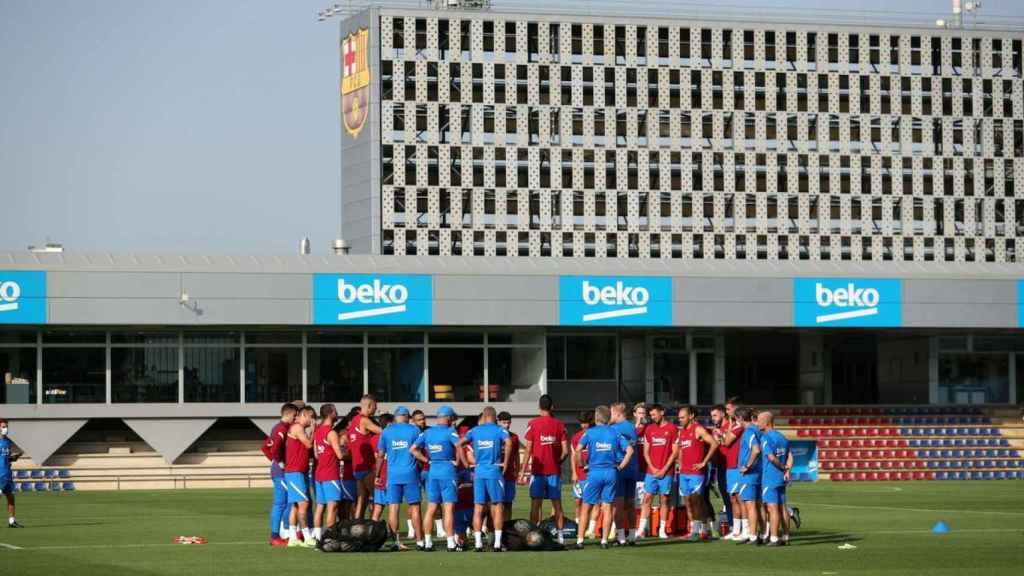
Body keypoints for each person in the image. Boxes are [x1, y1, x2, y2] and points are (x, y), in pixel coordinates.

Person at [574, 405, 632, 550]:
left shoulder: (590, 433)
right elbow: (630, 451)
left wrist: (582, 464)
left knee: (586, 506)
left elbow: (578, 450)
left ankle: (580, 540)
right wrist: (620, 467)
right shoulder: (615, 433)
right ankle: (604, 541)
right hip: (611, 473)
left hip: (595, 473)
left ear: (596, 417)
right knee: (607, 507)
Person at [411, 405, 465, 551]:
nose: (453, 421)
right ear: (448, 418)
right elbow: (460, 445)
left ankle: (428, 542)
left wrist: (426, 460)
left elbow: (413, 449)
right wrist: (459, 463)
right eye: (452, 418)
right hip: (447, 471)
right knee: (448, 508)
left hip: (433, 471)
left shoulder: (427, 433)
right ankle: (450, 543)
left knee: (431, 508)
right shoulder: (450, 432)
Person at [461, 406, 513, 552]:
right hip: (493, 471)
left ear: (484, 417)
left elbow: (460, 444)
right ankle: (497, 543)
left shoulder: (475, 430)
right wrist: (507, 463)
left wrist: (466, 464)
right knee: (497, 507)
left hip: (479, 473)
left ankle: (478, 543)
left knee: (478, 508)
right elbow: (509, 442)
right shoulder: (499, 430)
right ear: (495, 418)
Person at [521, 394, 568, 543]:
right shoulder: (560, 424)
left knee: (536, 503)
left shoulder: (532, 423)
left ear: (539, 407)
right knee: (557, 504)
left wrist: (522, 470)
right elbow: (566, 451)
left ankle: (533, 536)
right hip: (554, 471)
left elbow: (528, 449)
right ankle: (561, 537)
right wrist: (557, 462)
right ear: (552, 407)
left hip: (537, 471)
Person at [378, 406, 424, 550]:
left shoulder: (386, 431)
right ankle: (420, 541)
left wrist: (378, 474)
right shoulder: (414, 430)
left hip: (393, 475)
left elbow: (380, 455)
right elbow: (420, 450)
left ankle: (396, 542)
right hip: (410, 474)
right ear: (407, 417)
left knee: (393, 508)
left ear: (395, 417)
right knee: (415, 508)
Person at [676, 404, 719, 542]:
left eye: (683, 417)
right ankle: (695, 529)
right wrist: (680, 464)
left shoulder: (698, 429)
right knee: (688, 501)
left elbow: (714, 443)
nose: (680, 420)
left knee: (697, 500)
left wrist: (704, 462)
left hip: (696, 472)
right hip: (684, 472)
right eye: (679, 418)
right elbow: (681, 450)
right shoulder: (681, 432)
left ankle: (701, 531)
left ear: (691, 416)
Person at [639, 404, 676, 539]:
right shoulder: (649, 429)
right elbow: (645, 451)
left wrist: (664, 469)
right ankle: (641, 530)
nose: (652, 417)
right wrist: (653, 468)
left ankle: (662, 530)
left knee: (664, 500)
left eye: (655, 414)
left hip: (667, 471)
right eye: (651, 415)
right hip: (651, 472)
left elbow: (675, 452)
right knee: (647, 498)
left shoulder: (672, 428)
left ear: (662, 412)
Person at [262, 403, 297, 546]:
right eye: (294, 416)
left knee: (288, 502)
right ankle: (276, 535)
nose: (295, 418)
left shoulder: (282, 428)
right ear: (288, 414)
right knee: (281, 503)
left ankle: (282, 533)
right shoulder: (280, 429)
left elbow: (265, 446)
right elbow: (273, 447)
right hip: (281, 472)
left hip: (282, 470)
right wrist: (280, 462)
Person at [758, 411, 793, 547]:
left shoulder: (766, 438)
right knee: (782, 507)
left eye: (760, 420)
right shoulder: (782, 437)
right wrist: (787, 470)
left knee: (772, 508)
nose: (758, 423)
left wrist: (783, 467)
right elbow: (791, 455)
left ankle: (773, 538)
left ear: (766, 422)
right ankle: (786, 536)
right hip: (781, 478)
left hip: (770, 477)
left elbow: (771, 457)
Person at [313, 404, 346, 544]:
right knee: (332, 507)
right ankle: (330, 539)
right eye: (336, 411)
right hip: (330, 474)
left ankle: (317, 538)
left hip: (319, 474)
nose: (337, 413)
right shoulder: (331, 432)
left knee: (320, 506)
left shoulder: (318, 431)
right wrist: (348, 452)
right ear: (331, 413)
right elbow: (340, 455)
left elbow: (316, 454)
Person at [347, 395, 383, 519]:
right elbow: (383, 432)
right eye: (375, 406)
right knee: (378, 499)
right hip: (367, 467)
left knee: (362, 500)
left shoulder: (354, 420)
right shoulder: (364, 420)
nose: (376, 409)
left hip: (357, 467)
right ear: (369, 406)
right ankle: (373, 526)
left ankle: (357, 527)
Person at [285, 406, 316, 547]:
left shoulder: (298, 428)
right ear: (304, 415)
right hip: (295, 472)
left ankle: (292, 538)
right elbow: (309, 444)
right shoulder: (297, 427)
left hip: (297, 472)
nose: (312, 420)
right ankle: (307, 537)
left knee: (296, 506)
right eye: (311, 417)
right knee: (304, 503)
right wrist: (314, 430)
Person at [715, 403, 746, 540]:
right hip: (729, 466)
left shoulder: (739, 427)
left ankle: (746, 530)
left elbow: (726, 442)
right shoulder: (732, 426)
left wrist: (719, 437)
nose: (727, 412)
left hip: (736, 466)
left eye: (728, 409)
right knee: (733, 499)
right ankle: (736, 530)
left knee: (740, 499)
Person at [609, 403, 639, 545]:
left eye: (611, 413)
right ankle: (632, 536)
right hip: (633, 469)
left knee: (618, 504)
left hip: (620, 468)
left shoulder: (614, 429)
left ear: (617, 413)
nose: (610, 416)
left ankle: (620, 537)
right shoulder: (632, 427)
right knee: (631, 503)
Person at [735, 407, 763, 545]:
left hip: (750, 474)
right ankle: (762, 533)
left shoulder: (749, 431)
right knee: (757, 505)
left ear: (740, 418)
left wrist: (747, 465)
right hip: (757, 473)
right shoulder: (757, 430)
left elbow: (756, 450)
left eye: (736, 419)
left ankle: (753, 535)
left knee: (750, 505)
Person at [708, 405, 734, 533]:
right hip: (721, 468)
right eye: (712, 416)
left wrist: (721, 435)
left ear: (723, 414)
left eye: (715, 415)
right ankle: (732, 526)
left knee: (735, 499)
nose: (713, 418)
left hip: (732, 467)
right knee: (726, 499)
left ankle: (740, 528)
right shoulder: (715, 430)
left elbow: (729, 443)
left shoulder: (730, 427)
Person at [570, 410, 594, 537]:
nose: (584, 425)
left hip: (593, 474)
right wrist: (574, 472)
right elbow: (573, 455)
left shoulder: (595, 434)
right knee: (578, 501)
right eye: (582, 423)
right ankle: (578, 525)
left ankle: (591, 528)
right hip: (580, 474)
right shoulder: (576, 437)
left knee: (593, 502)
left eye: (586, 423)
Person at [496, 411, 520, 520]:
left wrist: (518, 470)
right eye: (504, 422)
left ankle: (507, 526)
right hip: (495, 474)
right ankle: (488, 527)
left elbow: (516, 455)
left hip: (509, 474)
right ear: (498, 422)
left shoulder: (514, 437)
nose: (507, 425)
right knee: (495, 503)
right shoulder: (494, 436)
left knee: (508, 503)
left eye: (508, 422)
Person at [370, 413, 394, 522]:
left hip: (379, 476)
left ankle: (372, 532)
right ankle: (395, 536)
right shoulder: (392, 437)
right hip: (391, 476)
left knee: (378, 506)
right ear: (389, 424)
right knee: (393, 507)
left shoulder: (373, 438)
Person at [0, 420, 24, 528]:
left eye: (6, 427)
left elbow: (7, 458)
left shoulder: (8, 442)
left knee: (11, 498)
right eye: (4, 426)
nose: (6, 429)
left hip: (8, 474)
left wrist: (15, 457)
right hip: (0, 474)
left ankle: (11, 521)